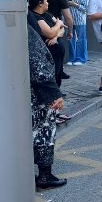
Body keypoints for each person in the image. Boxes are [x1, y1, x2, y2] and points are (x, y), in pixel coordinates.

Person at [26, 23, 67, 190]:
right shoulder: (22, 27)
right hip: (34, 94)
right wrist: (54, 94)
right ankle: (44, 175)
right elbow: (39, 67)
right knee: (44, 131)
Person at [39, 0, 74, 81]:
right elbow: (68, 17)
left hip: (37, 29)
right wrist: (70, 31)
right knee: (57, 57)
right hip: (55, 28)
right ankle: (56, 87)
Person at [28, 0, 66, 87]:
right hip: (49, 52)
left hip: (58, 48)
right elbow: (50, 33)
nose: (47, 3)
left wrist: (56, 37)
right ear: (40, 3)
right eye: (46, 1)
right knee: (52, 74)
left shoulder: (47, 14)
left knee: (58, 73)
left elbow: (62, 29)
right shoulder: (35, 17)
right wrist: (58, 24)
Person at [61, 0, 89, 65]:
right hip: (68, 18)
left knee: (81, 38)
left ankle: (81, 59)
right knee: (70, 38)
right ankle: (71, 58)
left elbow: (86, 9)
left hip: (80, 19)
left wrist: (75, 4)